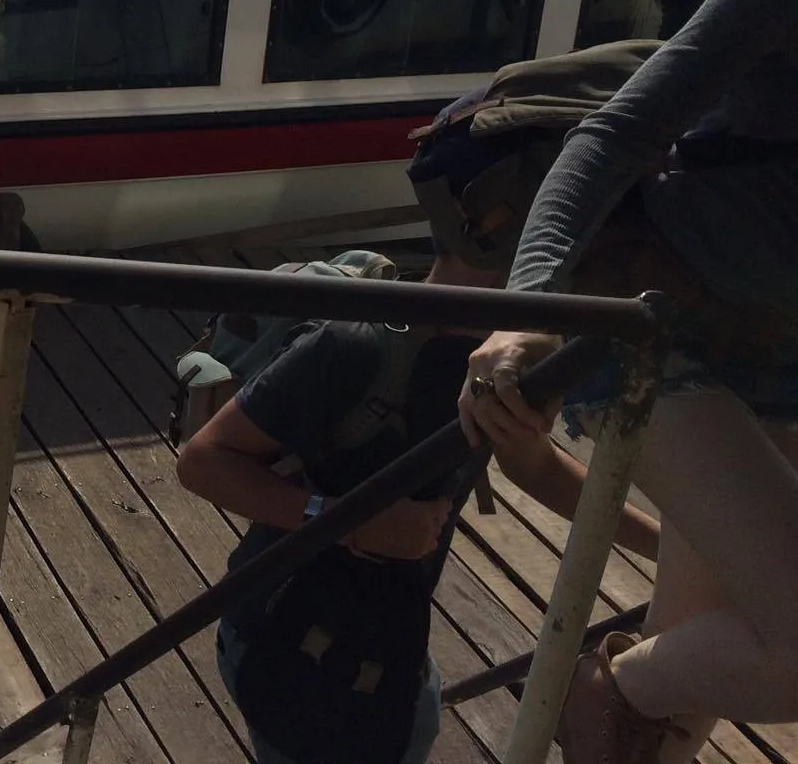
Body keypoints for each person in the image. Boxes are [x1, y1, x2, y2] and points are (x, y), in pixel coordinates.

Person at [460, 0, 798, 764]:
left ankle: (628, 707)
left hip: (782, 341)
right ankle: (612, 688)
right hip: (654, 321)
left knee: (710, 650)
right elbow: (613, 138)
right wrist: (531, 309)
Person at [178, 237, 662, 764]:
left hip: (390, 647)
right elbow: (202, 462)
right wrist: (351, 522)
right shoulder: (355, 347)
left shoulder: (497, 369)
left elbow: (536, 466)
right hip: (290, 646)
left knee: (418, 723)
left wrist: (669, 548)